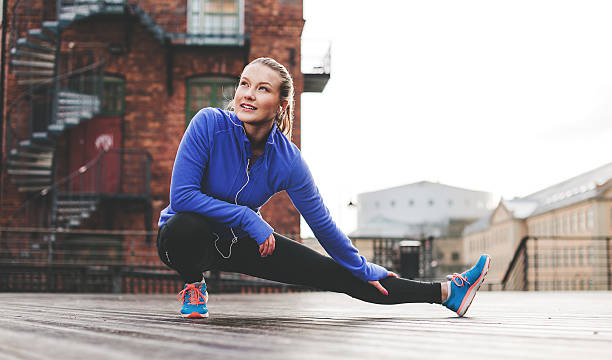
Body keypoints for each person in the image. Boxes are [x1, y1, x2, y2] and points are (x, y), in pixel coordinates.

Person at [156, 57, 490, 319]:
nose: (247, 94)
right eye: (244, 84)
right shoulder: (209, 124)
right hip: (184, 242)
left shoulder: (287, 161)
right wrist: (248, 218)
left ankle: (447, 293)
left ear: (281, 105)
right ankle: (193, 284)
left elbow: (323, 225)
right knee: (186, 226)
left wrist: (362, 267)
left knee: (339, 274)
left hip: (239, 242)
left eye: (262, 88)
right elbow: (182, 197)